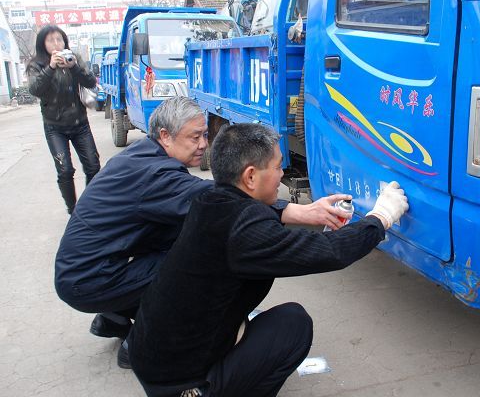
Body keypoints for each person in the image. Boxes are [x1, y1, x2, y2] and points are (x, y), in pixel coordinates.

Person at [54, 97, 355, 362]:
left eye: (204, 135)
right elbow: (220, 204)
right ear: (165, 136)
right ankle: (137, 346)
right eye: (195, 136)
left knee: (181, 234)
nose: (203, 145)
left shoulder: (142, 157)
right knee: (188, 268)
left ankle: (112, 318)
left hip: (84, 271)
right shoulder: (157, 175)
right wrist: (307, 212)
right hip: (90, 279)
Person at [127, 123, 409, 397]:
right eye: (277, 166)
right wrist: (380, 218)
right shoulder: (245, 230)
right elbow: (328, 251)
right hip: (176, 382)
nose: (283, 171)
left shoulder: (211, 200)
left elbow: (249, 219)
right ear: (250, 176)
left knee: (256, 318)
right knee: (292, 325)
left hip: (152, 355)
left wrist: (304, 212)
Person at [27, 25, 101, 214]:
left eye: (59, 39)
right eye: (51, 40)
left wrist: (74, 66)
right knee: (65, 170)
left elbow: (91, 82)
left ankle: (89, 207)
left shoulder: (73, 58)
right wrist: (51, 67)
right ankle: (73, 210)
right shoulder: (37, 64)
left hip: (80, 123)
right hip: (55, 127)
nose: (56, 43)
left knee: (93, 166)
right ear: (43, 44)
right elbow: (36, 90)